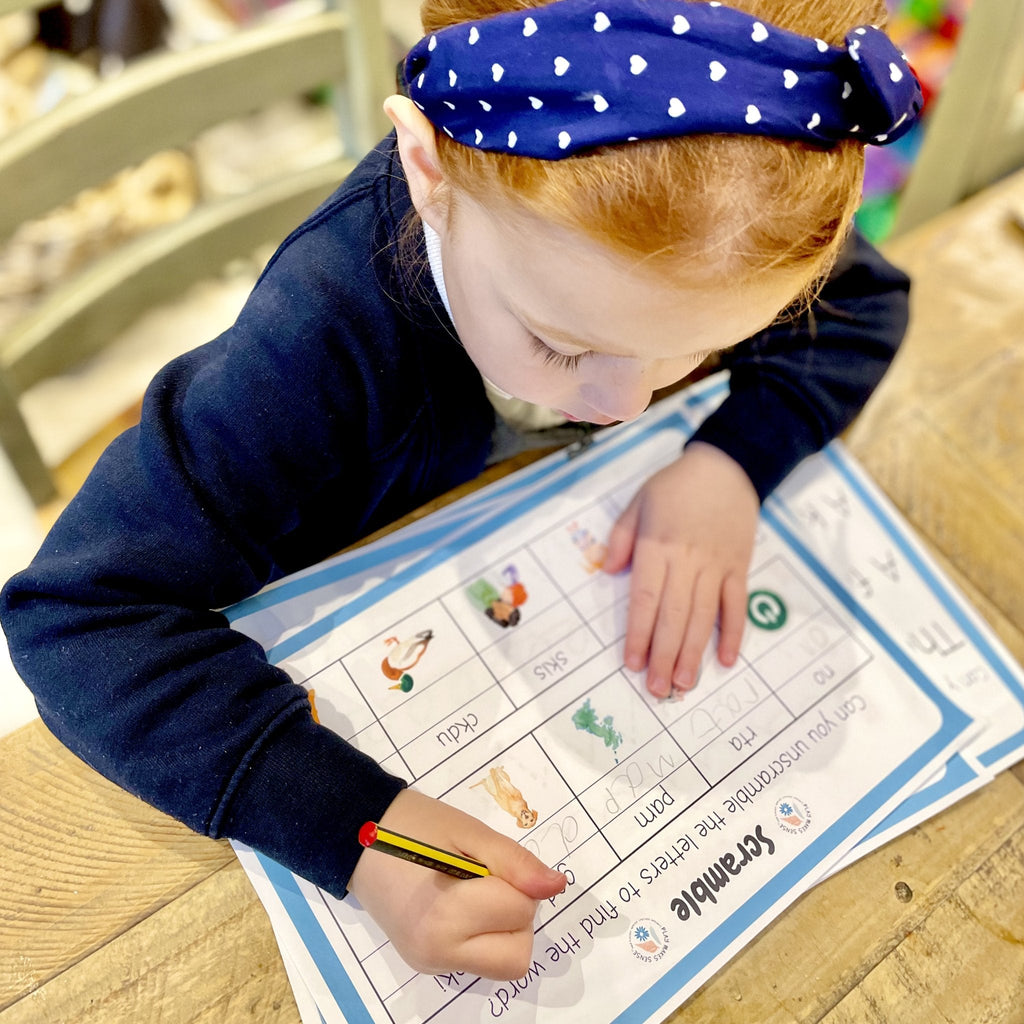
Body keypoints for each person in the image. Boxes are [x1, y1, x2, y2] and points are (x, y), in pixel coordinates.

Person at [0, 0, 919, 983]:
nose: (624, 405)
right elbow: (77, 612)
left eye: (699, 348)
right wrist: (357, 830)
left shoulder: (729, 214)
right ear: (428, 170)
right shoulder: (315, 347)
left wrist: (731, 457)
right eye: (563, 345)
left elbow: (867, 304)